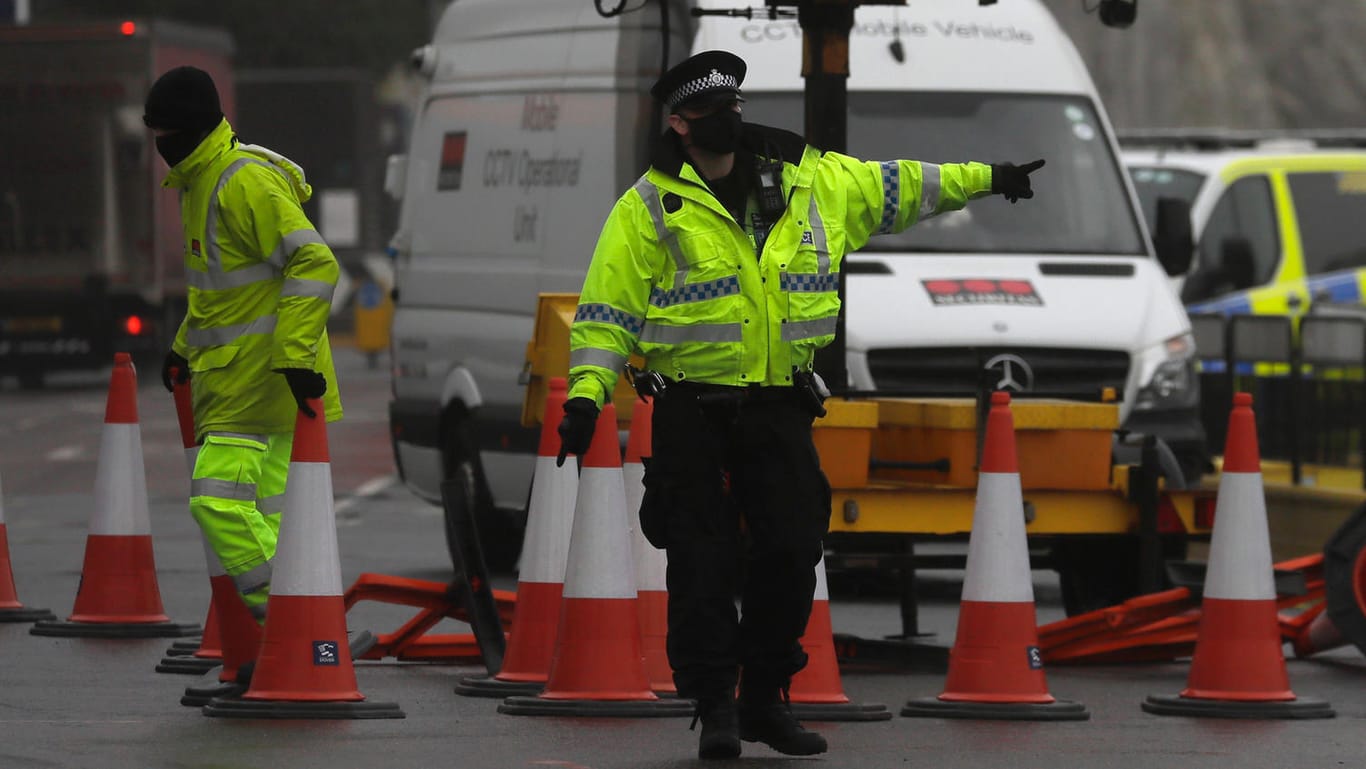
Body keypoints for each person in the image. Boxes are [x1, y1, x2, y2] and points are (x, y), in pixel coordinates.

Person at [556, 50, 1044, 760]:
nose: (729, 121)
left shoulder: (812, 179)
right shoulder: (648, 211)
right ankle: (716, 704)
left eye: (734, 107)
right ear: (679, 124)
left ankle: (762, 700)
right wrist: (584, 399)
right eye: (712, 113)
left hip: (780, 407)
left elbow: (906, 185)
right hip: (691, 409)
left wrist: (991, 180)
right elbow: (605, 318)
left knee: (791, 552)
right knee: (700, 563)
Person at [144, 66, 343, 636]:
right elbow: (224, 292)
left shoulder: (240, 181)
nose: (160, 146)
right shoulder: (201, 180)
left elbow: (315, 263)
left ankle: (295, 626)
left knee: (217, 503)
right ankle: (300, 641)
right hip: (253, 384)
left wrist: (295, 355)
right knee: (277, 519)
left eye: (165, 133)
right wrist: (183, 347)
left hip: (256, 385)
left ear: (190, 129)